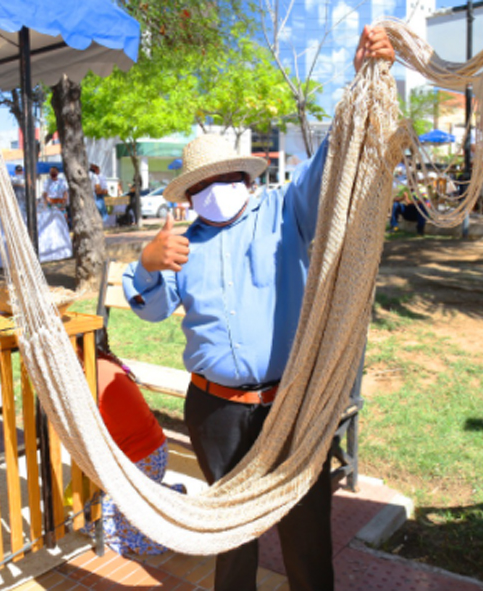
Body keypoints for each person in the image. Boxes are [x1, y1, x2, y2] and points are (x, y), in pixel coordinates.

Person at [121, 26, 393, 591]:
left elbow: (333, 164)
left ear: (246, 178)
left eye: (228, 177)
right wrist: (148, 260)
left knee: (305, 535)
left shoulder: (283, 213)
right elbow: (146, 309)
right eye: (205, 184)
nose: (218, 189)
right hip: (214, 411)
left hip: (290, 405)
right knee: (231, 539)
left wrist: (361, 77)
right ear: (190, 194)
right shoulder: (182, 242)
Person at [81, 351, 185, 555]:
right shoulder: (102, 363)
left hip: (140, 462)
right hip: (154, 454)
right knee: (96, 510)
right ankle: (163, 498)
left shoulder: (89, 379)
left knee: (95, 523)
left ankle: (176, 534)